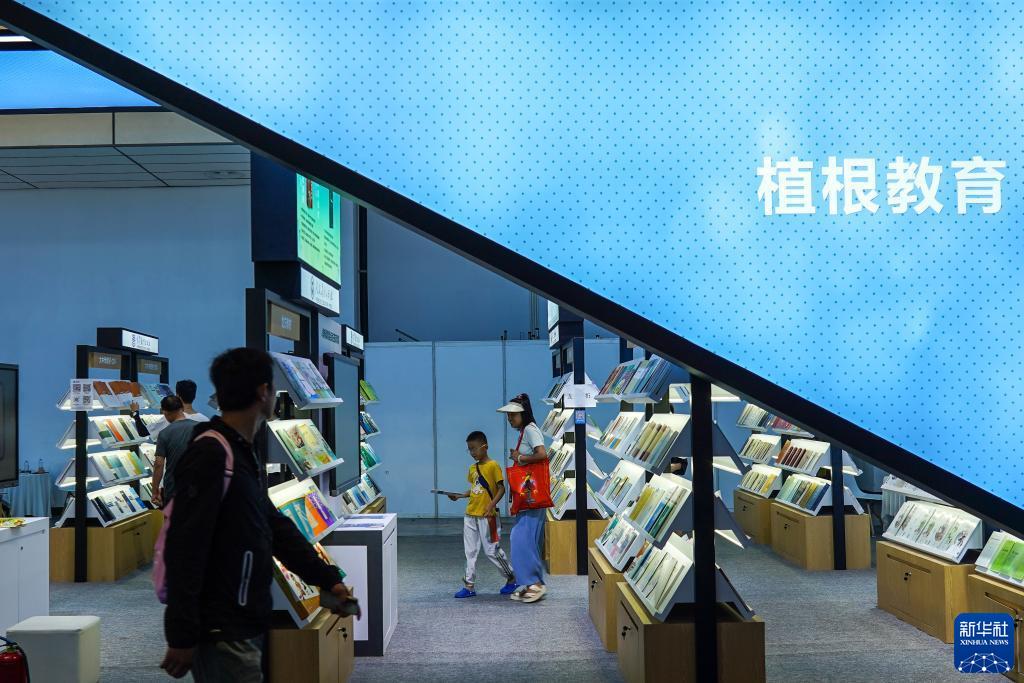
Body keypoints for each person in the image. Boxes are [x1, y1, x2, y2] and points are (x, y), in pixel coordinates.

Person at [160, 348, 354, 681]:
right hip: (223, 629)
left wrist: (326, 578)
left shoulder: (240, 450)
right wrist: (181, 633)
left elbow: (272, 525)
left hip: (245, 621)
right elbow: (185, 546)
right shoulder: (211, 454)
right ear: (264, 392)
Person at [446, 431, 517, 598]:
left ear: (485, 447)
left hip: (488, 516)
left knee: (492, 550)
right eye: (469, 449)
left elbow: (501, 489)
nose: (472, 452)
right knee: (470, 551)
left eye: (474, 448)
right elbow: (475, 490)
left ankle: (512, 578)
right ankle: (469, 585)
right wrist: (459, 496)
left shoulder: (493, 466)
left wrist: (491, 505)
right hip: (470, 514)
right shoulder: (472, 468)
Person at [498, 393, 548, 604]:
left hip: (531, 496)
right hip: (529, 496)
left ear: (524, 414)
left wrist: (520, 457)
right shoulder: (525, 431)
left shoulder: (530, 430)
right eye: (508, 415)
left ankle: (534, 583)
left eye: (513, 415)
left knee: (521, 538)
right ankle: (531, 583)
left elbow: (542, 454)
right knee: (526, 539)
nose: (510, 419)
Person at [149, 396, 196, 508]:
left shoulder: (164, 433)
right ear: (182, 408)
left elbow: (158, 464)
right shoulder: (200, 427)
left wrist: (155, 491)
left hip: (173, 488)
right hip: (197, 487)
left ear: (165, 412)